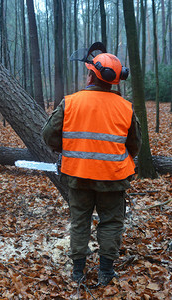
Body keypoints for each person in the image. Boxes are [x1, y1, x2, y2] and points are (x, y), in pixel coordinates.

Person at [41, 42, 141, 286]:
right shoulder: (125, 108)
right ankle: (106, 271)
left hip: (78, 175)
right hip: (114, 177)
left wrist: (66, 149)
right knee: (111, 222)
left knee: (80, 221)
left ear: (90, 75)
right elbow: (135, 145)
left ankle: (78, 272)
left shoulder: (71, 102)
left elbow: (48, 136)